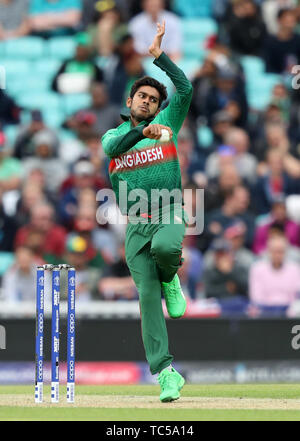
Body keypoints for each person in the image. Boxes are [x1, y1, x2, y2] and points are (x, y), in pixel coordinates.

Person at [102, 22, 193, 402]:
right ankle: (167, 374)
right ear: (130, 102)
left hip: (169, 208)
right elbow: (113, 148)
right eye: (141, 97)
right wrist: (143, 133)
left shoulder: (168, 121)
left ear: (159, 107)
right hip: (136, 226)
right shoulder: (113, 137)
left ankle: (172, 276)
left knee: (167, 251)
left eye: (153, 100)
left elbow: (185, 89)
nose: (147, 102)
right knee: (146, 300)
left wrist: (160, 57)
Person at [249, 235, 300, 307]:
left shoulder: (295, 269)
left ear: (286, 252)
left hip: (289, 313)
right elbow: (256, 298)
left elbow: (297, 296)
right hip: (264, 312)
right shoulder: (257, 269)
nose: (277, 255)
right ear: (269, 251)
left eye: (280, 251)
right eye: (274, 251)